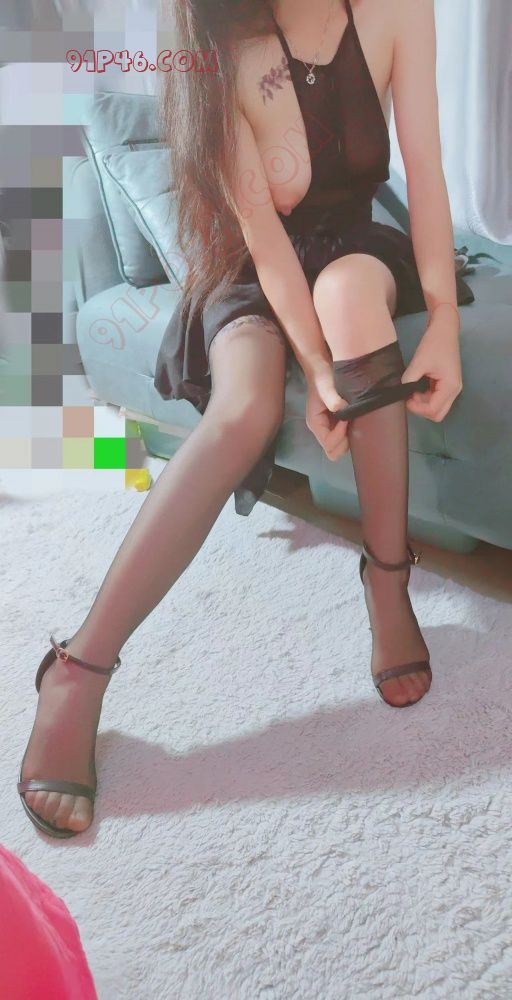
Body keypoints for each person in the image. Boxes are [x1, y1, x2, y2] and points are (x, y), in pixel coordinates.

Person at [17, 0, 474, 839]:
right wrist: (317, 372)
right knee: (246, 408)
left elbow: (428, 168)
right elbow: (261, 236)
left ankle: (387, 583)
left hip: (353, 250)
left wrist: (442, 318)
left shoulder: (398, 10)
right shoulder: (213, 38)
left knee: (351, 298)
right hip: (251, 271)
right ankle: (77, 669)